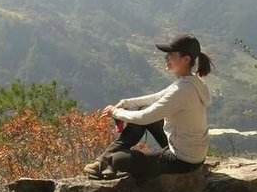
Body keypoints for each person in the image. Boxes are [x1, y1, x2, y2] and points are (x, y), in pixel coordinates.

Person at [83, 33, 213, 180]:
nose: (167, 58)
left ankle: (108, 161)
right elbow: (157, 97)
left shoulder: (182, 90)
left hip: (182, 160)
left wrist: (116, 112)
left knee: (119, 159)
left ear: (186, 59)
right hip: (191, 151)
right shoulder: (192, 81)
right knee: (141, 113)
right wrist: (126, 103)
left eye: (171, 55)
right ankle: (104, 161)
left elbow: (145, 117)